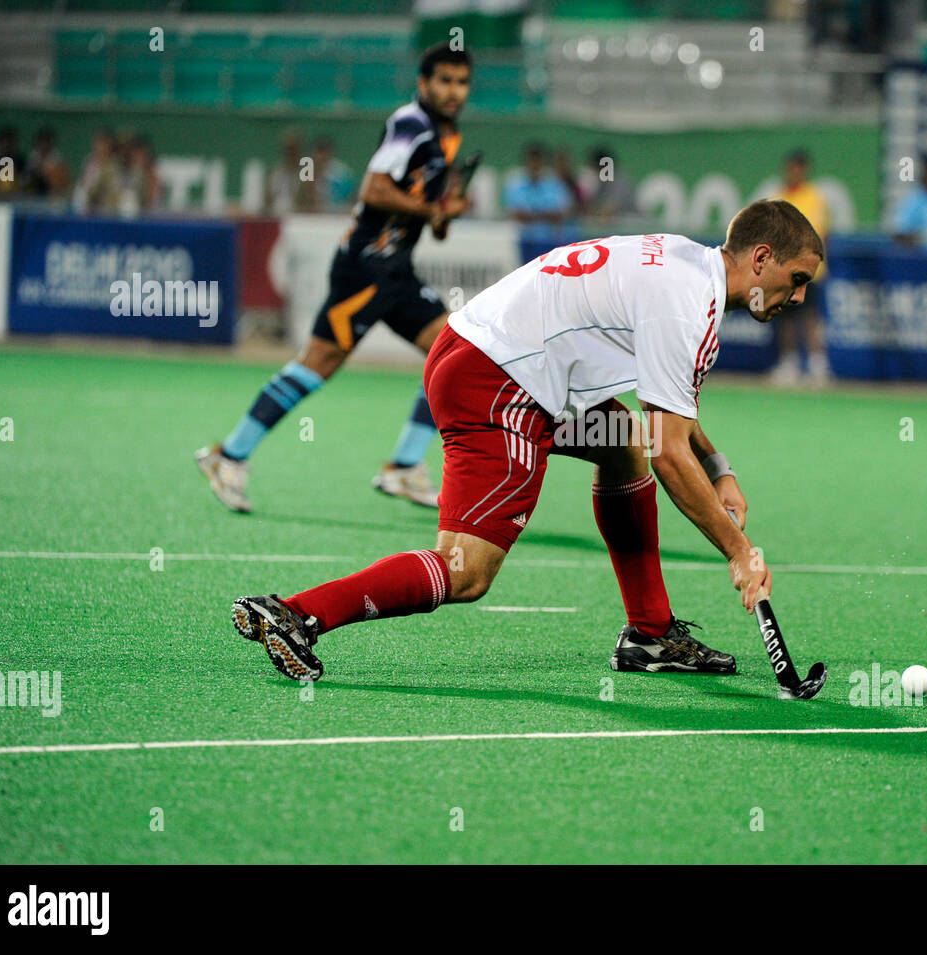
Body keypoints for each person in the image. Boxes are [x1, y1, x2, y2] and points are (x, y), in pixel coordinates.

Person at [230, 200, 824, 683]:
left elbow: (672, 420)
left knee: (621, 444)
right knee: (466, 572)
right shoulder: (686, 305)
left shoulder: (688, 265)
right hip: (501, 384)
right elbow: (671, 452)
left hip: (491, 359)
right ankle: (299, 614)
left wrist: (719, 469)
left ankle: (650, 634)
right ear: (762, 258)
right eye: (797, 281)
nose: (798, 298)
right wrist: (738, 552)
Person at [196, 43, 474, 512]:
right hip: (365, 269)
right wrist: (432, 208)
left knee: (451, 351)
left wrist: (443, 215)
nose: (453, 91)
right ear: (424, 83)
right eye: (444, 80)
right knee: (318, 363)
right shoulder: (410, 124)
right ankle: (229, 456)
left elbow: (433, 225)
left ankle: (404, 468)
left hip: (395, 271)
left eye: (462, 82)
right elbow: (374, 189)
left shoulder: (446, 137)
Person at [769, 148, 831, 385]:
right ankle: (789, 364)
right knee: (784, 317)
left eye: (798, 167)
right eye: (790, 167)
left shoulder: (814, 198)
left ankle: (817, 366)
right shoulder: (777, 197)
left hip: (808, 271)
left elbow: (816, 233)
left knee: (810, 318)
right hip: (783, 271)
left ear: (804, 170)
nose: (793, 172)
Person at [503, 141, 574, 249]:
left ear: (543, 162)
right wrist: (544, 215)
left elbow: (562, 213)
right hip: (524, 241)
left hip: (551, 241)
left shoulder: (555, 184)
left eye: (537, 161)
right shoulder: (516, 185)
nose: (534, 165)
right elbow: (514, 214)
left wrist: (532, 216)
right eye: (532, 161)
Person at [72, 127, 123, 215]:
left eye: (104, 143)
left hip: (109, 207)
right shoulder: (89, 161)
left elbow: (115, 192)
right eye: (99, 143)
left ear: (110, 145)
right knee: (80, 194)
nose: (101, 147)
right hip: (89, 205)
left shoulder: (116, 164)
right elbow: (85, 185)